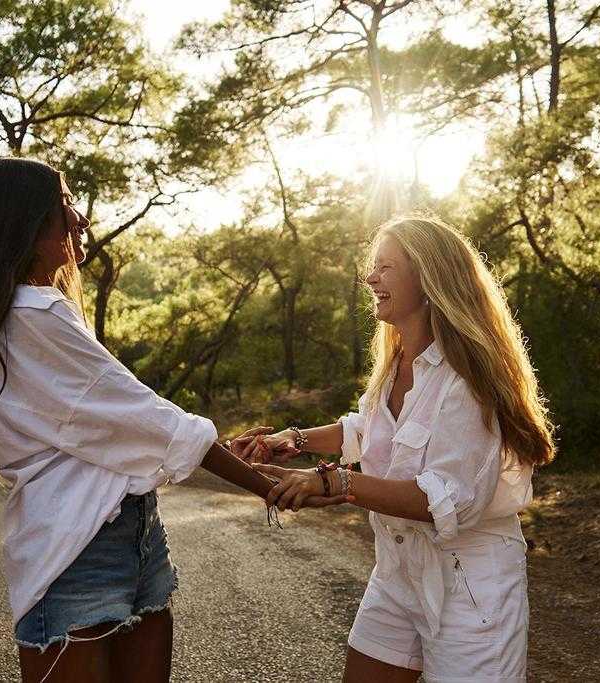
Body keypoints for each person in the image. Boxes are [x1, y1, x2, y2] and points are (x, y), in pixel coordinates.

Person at [0, 157, 345, 683]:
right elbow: (151, 421)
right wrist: (268, 487)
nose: (77, 217)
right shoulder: (34, 316)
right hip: (82, 546)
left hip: (125, 533)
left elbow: (118, 423)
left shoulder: (15, 313)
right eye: (63, 202)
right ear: (25, 226)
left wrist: (232, 454)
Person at [233, 214, 555, 682]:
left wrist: (338, 483)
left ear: (429, 277)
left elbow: (446, 497)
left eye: (385, 267)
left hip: (470, 584)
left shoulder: (469, 379)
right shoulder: (397, 359)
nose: (370, 278)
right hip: (399, 571)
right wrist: (293, 440)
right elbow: (370, 428)